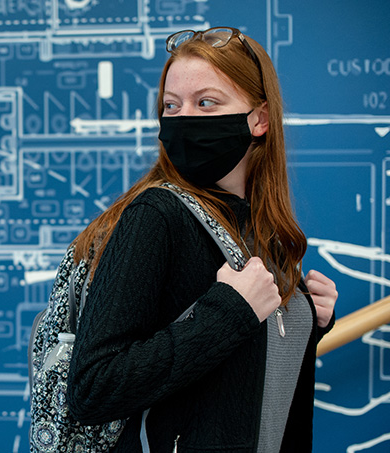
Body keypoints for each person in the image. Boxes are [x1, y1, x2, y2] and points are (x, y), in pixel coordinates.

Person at [65, 27, 338, 452]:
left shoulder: (263, 230)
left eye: (206, 102)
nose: (184, 118)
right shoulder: (156, 216)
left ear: (259, 119)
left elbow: (230, 387)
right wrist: (230, 310)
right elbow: (94, 387)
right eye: (171, 106)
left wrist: (307, 321)